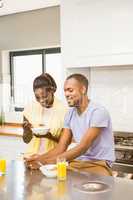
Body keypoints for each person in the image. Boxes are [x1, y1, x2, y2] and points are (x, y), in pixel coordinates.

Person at [25, 73, 115, 176]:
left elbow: (83, 147)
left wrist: (44, 162)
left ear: (83, 89)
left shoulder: (98, 112)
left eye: (70, 90)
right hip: (76, 162)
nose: (66, 94)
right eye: (65, 91)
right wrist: (38, 159)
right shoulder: (70, 113)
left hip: (98, 164)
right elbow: (61, 147)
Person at [23, 73, 67, 155]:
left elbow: (66, 142)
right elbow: (26, 140)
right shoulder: (29, 109)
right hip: (32, 157)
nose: (41, 100)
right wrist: (26, 131)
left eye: (45, 96)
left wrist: (49, 136)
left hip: (53, 158)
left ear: (52, 91)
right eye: (37, 97)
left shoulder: (64, 110)